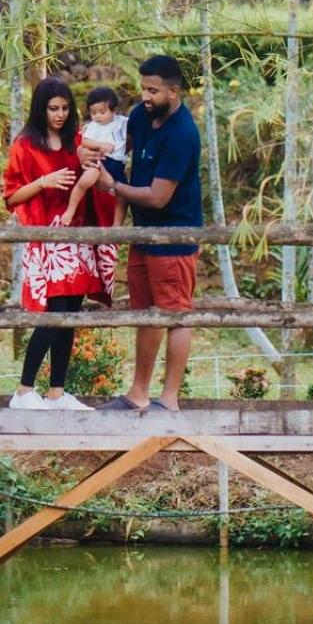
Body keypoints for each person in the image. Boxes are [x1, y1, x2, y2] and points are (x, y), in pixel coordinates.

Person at [81, 55, 203, 412]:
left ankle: (169, 398)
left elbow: (158, 196)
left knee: (176, 313)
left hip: (174, 234)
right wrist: (90, 152)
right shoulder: (140, 116)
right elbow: (119, 149)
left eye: (153, 91)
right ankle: (138, 393)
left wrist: (113, 185)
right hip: (143, 231)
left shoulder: (182, 134)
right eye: (143, 89)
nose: (145, 96)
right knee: (147, 312)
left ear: (174, 91)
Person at [2, 76, 117, 410]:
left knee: (70, 316)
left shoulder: (75, 140)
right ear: (41, 108)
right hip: (48, 237)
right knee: (53, 314)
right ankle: (24, 391)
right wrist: (44, 181)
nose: (60, 115)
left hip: (76, 237)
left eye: (66, 108)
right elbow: (11, 197)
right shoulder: (25, 145)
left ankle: (56, 393)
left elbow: (99, 170)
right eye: (53, 108)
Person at [62, 86, 126, 229]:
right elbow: (85, 141)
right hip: (100, 160)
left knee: (123, 195)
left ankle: (117, 225)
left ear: (114, 110)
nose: (98, 116)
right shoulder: (93, 126)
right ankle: (71, 209)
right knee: (85, 180)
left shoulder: (122, 122)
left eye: (102, 112)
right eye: (93, 113)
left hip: (117, 163)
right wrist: (100, 145)